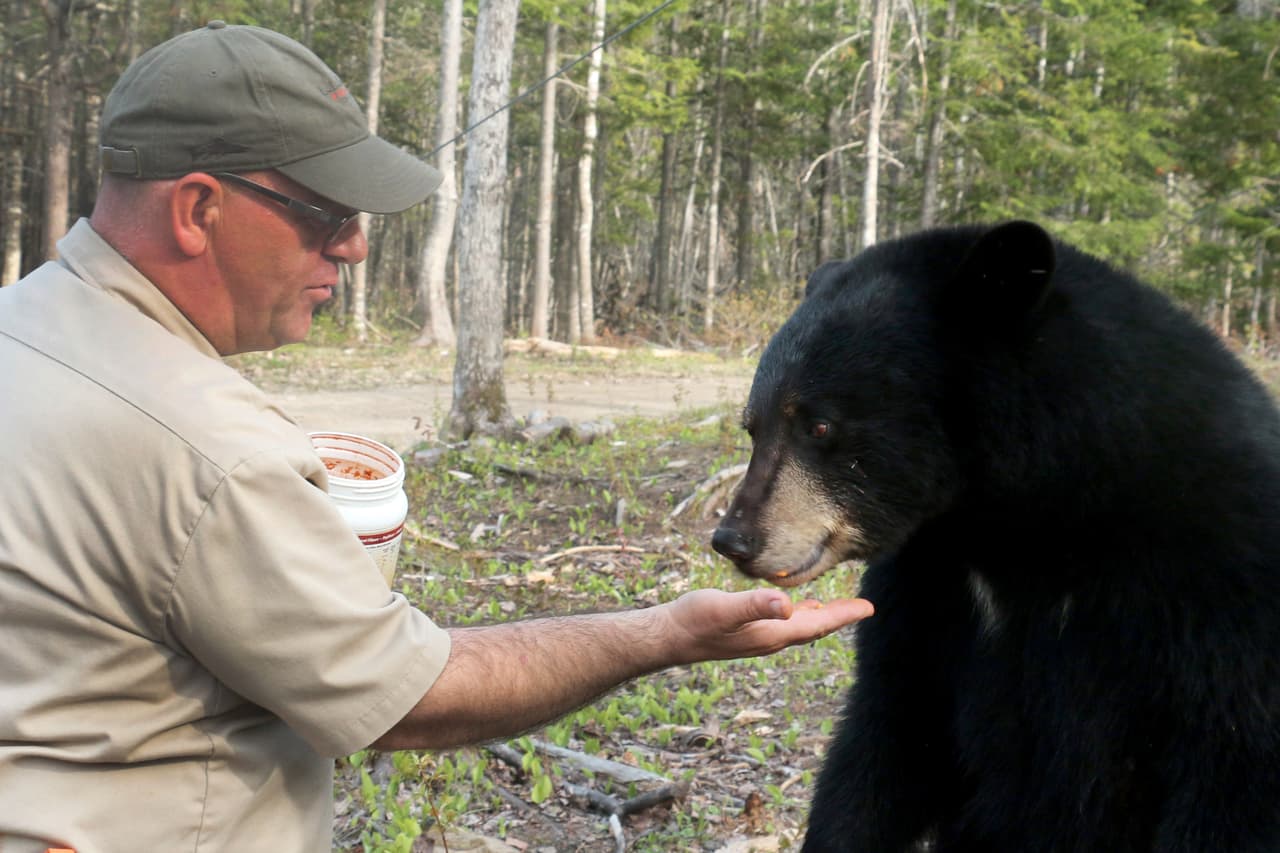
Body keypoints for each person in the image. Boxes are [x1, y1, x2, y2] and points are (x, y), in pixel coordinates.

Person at [0, 22, 873, 853]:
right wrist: (666, 634)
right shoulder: (201, 445)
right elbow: (406, 697)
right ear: (198, 209)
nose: (355, 247)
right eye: (325, 213)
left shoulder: (27, 326)